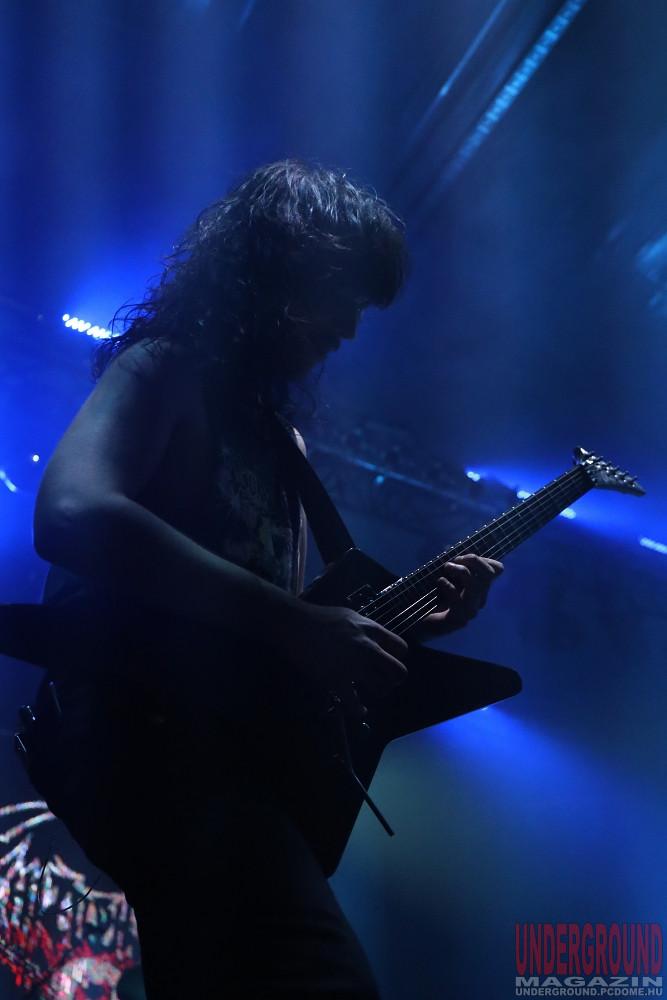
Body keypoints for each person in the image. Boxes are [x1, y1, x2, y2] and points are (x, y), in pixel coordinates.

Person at [26, 160, 503, 999]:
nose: (348, 329)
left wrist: (406, 622)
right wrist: (296, 628)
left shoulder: (287, 447)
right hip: (141, 742)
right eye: (344, 295)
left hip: (223, 759)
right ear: (283, 271)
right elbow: (69, 512)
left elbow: (275, 634)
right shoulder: (165, 368)